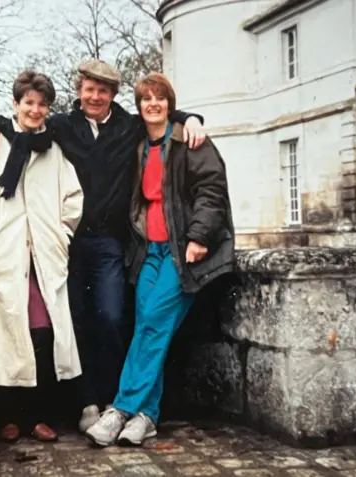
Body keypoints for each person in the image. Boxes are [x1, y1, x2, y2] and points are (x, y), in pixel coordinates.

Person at [0, 60, 206, 433]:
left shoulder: (128, 127)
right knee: (74, 321)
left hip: (110, 241)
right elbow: (25, 123)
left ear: (113, 95)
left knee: (112, 317)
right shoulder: (64, 126)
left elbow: (158, 109)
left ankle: (115, 399)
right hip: (66, 244)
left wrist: (191, 118)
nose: (95, 97)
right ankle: (86, 403)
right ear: (80, 91)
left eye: (103, 91)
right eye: (89, 90)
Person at [85, 72, 235, 447]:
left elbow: (212, 191)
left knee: (154, 324)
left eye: (160, 98)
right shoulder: (138, 141)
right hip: (146, 250)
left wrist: (199, 236)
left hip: (182, 252)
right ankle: (148, 416)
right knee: (148, 328)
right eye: (146, 99)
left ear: (170, 103)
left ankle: (120, 409)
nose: (153, 104)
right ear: (139, 107)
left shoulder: (190, 140)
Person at [0, 70, 84, 442]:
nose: (36, 110)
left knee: (41, 333)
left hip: (42, 258)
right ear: (16, 104)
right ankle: (6, 418)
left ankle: (39, 416)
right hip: (0, 259)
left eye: (42, 105)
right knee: (3, 338)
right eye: (29, 103)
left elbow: (72, 198)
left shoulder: (54, 151)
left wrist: (61, 234)